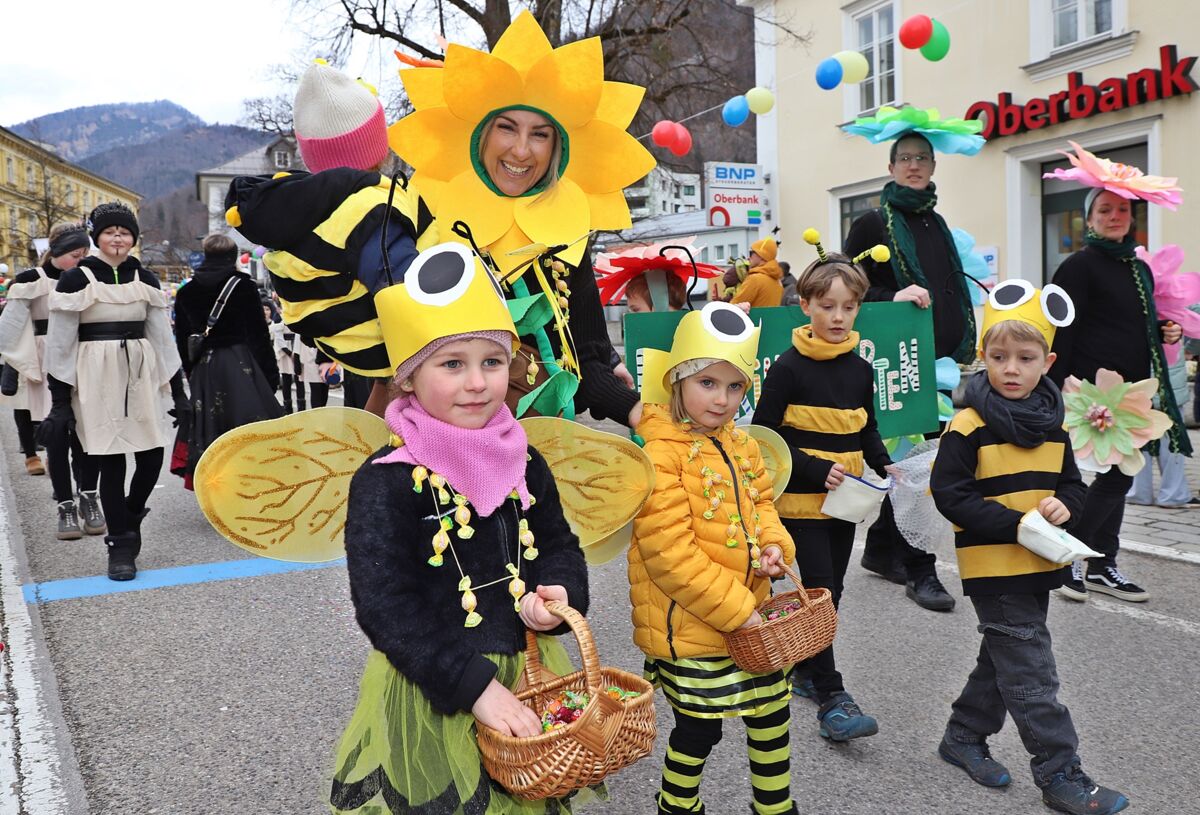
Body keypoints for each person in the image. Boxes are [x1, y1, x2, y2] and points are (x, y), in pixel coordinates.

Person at [329, 242, 590, 813]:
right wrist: (474, 689)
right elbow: (385, 605)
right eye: (452, 364)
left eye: (492, 362)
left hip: (528, 672)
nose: (477, 383)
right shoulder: (386, 480)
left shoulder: (524, 459)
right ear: (408, 378)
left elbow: (557, 544)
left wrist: (560, 592)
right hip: (436, 684)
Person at [387, 11, 653, 426]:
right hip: (446, 450)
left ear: (557, 147)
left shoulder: (566, 234)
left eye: (540, 134)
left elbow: (584, 360)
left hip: (546, 445)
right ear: (482, 133)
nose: (522, 151)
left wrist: (638, 411)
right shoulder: (426, 225)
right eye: (507, 128)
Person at [930, 283, 1129, 815]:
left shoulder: (1053, 423)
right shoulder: (968, 424)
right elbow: (950, 494)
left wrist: (1066, 506)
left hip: (1039, 564)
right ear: (983, 357)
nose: (1011, 369)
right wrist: (1016, 525)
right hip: (994, 567)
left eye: (1024, 358)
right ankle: (1060, 774)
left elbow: (1072, 485)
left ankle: (962, 735)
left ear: (1048, 362)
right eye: (998, 358)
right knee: (1033, 675)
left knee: (1004, 658)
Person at [629, 301, 798, 815]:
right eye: (707, 383)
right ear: (677, 380)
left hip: (750, 618)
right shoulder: (659, 455)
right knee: (699, 729)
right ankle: (677, 806)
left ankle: (776, 808)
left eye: (735, 386)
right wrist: (739, 612)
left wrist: (774, 546)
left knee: (772, 718)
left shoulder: (743, 445)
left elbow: (763, 504)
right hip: (692, 627)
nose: (722, 400)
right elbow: (669, 556)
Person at [752, 237, 894, 741]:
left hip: (845, 502)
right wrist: (813, 469)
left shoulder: (860, 368)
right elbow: (765, 435)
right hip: (800, 502)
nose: (838, 317)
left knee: (832, 591)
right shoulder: (788, 368)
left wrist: (885, 463)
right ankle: (833, 696)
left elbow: (865, 427)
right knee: (818, 590)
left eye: (848, 307)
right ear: (805, 305)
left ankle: (807, 670)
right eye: (828, 306)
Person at [1047, 147, 1189, 602]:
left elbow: (1135, 323)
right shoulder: (1078, 266)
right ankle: (1075, 555)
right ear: (1089, 219)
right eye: (1105, 210)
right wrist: (1050, 390)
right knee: (1099, 478)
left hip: (1130, 394)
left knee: (1120, 477)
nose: (1114, 217)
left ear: (1132, 218)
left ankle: (1099, 564)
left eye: (1122, 210)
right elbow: (1062, 331)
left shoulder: (1138, 266)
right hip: (1087, 392)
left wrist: (1164, 330)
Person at [843, 132, 974, 612]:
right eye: (904, 158)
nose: (913, 165)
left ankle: (881, 549)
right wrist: (891, 297)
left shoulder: (936, 222)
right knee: (923, 466)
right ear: (891, 167)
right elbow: (845, 286)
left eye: (922, 158)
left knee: (916, 464)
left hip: (937, 365)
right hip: (895, 362)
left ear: (933, 166)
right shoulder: (872, 223)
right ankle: (921, 570)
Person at [44, 202, 185, 581]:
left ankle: (130, 514)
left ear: (133, 238)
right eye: (110, 232)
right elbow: (60, 344)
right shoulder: (76, 279)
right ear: (97, 238)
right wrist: (60, 402)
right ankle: (120, 545)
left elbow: (162, 338)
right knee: (111, 460)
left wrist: (178, 391)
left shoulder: (147, 279)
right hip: (94, 376)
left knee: (152, 456)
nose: (118, 238)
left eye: (124, 232)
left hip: (139, 374)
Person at [0, 223, 105, 538]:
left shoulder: (89, 278)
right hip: (46, 360)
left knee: (87, 435)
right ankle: (65, 504)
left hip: (83, 357)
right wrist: (13, 366)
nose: (81, 260)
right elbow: (10, 327)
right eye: (75, 254)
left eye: (85, 253)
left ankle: (88, 495)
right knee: (57, 436)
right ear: (58, 252)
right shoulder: (32, 280)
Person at [172, 233, 280, 476]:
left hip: (206, 368)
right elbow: (258, 336)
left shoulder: (187, 291)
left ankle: (216, 482)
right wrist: (270, 377)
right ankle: (251, 479)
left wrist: (191, 372)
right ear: (233, 256)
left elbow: (182, 340)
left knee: (212, 430)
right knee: (248, 427)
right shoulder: (244, 287)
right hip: (241, 364)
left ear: (206, 255)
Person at [1126, 351, 1199, 507]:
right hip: (1167, 382)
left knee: (1139, 438)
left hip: (1137, 376)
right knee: (1172, 441)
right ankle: (1173, 494)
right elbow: (1193, 341)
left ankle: (1138, 492)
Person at [729, 236, 784, 308]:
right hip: (770, 316)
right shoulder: (778, 281)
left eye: (751, 253)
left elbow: (733, 307)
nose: (749, 257)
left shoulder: (754, 279)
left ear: (762, 255)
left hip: (753, 316)